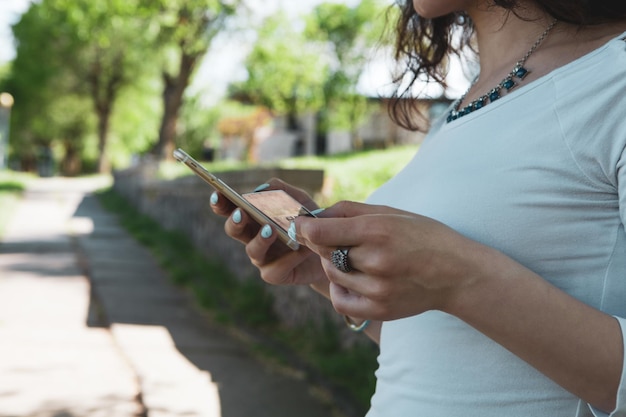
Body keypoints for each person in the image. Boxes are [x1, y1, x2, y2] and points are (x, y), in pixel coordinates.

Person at [211, 0, 626, 415]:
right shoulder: (460, 110)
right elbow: (444, 352)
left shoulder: (613, 79)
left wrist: (458, 278)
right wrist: (329, 268)